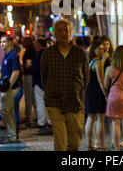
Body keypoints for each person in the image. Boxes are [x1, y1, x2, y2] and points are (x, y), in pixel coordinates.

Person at [41, 19, 89, 151]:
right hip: (54, 101)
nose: (63, 33)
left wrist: (77, 90)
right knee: (60, 142)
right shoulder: (48, 53)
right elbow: (44, 77)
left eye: (65, 30)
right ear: (54, 34)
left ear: (71, 33)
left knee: (74, 142)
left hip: (74, 101)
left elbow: (86, 77)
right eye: (59, 31)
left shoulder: (80, 53)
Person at [0, 34, 22, 144]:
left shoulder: (13, 56)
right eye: (1, 42)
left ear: (10, 43)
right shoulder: (7, 55)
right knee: (10, 112)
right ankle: (12, 136)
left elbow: (16, 72)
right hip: (7, 88)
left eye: (4, 42)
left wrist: (8, 86)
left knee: (3, 110)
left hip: (10, 89)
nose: (2, 44)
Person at [84, 41, 109, 151]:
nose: (102, 51)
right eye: (99, 49)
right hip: (97, 92)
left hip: (89, 91)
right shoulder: (98, 63)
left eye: (103, 49)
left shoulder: (89, 62)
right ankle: (101, 146)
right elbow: (101, 81)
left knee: (90, 117)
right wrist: (106, 95)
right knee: (100, 119)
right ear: (94, 50)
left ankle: (90, 145)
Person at [28, 38, 52, 135]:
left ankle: (41, 122)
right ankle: (50, 121)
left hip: (39, 81)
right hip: (49, 82)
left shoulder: (39, 55)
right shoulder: (50, 53)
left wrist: (29, 67)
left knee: (40, 102)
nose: (34, 46)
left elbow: (35, 69)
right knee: (49, 103)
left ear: (39, 45)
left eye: (35, 44)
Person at [21, 36, 37, 126]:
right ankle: (36, 116)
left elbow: (29, 63)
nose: (22, 43)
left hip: (29, 76)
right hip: (30, 75)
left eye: (24, 41)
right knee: (32, 97)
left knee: (29, 96)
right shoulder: (30, 50)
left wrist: (27, 67)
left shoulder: (30, 51)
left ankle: (28, 117)